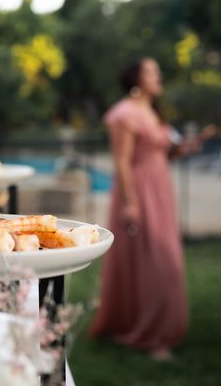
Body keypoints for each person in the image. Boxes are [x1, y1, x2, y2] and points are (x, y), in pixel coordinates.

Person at [89, 57, 215, 359]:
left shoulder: (154, 114)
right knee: (159, 261)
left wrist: (186, 147)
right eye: (152, 71)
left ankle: (152, 328)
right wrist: (132, 203)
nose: (159, 76)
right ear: (137, 78)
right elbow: (122, 161)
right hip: (139, 193)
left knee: (160, 258)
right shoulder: (124, 114)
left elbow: (162, 153)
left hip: (160, 191)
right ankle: (152, 335)